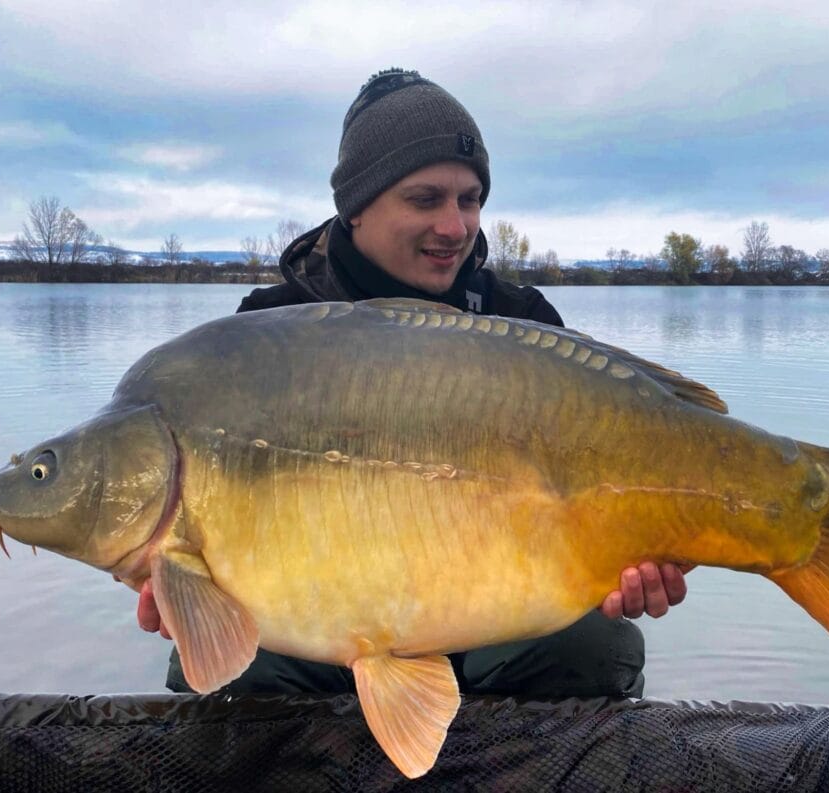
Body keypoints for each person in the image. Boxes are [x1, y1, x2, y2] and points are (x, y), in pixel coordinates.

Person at [137, 68, 691, 699]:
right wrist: (188, 592)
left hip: (490, 615)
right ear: (356, 207)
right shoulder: (268, 332)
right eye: (425, 200)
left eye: (470, 199)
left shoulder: (522, 323)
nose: (455, 227)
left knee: (595, 645)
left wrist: (631, 565)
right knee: (224, 672)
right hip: (312, 620)